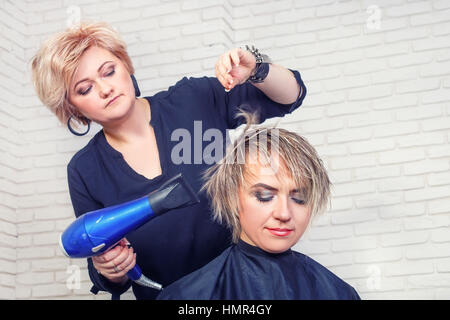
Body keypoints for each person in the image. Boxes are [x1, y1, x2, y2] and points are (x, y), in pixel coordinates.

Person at [31, 22, 306, 300]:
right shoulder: (85, 170)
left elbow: (290, 96)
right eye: (84, 89)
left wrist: (256, 70)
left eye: (109, 71)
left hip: (246, 290)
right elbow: (106, 273)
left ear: (126, 65)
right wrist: (110, 270)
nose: (105, 89)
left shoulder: (193, 100)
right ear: (72, 108)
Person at [157, 113, 360, 299]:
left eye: (299, 198)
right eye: (264, 196)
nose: (283, 213)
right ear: (232, 198)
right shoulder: (185, 298)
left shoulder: (340, 294)